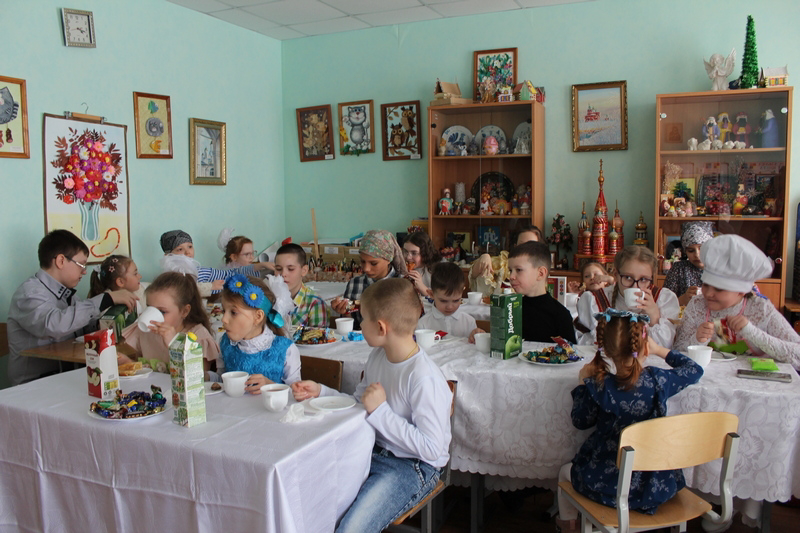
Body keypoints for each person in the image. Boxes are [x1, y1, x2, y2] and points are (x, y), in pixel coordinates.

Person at [291, 279, 452, 533]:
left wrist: (381, 411)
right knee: (313, 502)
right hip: (371, 450)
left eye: (363, 319)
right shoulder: (378, 355)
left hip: (413, 466)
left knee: (350, 529)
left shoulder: (423, 377)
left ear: (381, 327)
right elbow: (360, 405)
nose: (360, 324)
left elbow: (431, 450)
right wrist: (322, 392)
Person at [556, 309, 703, 532]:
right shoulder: (658, 380)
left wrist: (582, 383)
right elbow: (694, 369)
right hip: (656, 485)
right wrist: (660, 350)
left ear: (605, 349)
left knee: (564, 472)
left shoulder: (599, 385)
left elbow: (580, 420)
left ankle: (567, 525)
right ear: (644, 346)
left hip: (607, 484)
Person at [7, 230, 137, 385]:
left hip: (64, 377)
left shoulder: (67, 295)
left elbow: (79, 327)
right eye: (81, 264)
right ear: (61, 261)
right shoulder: (29, 294)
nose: (84, 271)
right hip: (34, 383)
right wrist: (106, 299)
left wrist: (104, 323)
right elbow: (54, 325)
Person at [674, 234, 800, 367]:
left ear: (741, 291)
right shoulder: (697, 305)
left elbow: (797, 355)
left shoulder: (761, 310)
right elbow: (676, 351)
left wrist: (752, 332)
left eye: (719, 289)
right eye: (705, 285)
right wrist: (697, 340)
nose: (709, 293)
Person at [575, 246, 679, 348]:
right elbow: (584, 346)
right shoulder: (594, 300)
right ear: (616, 275)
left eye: (643, 279)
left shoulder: (663, 299)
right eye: (628, 277)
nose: (635, 286)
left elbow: (666, 347)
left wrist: (654, 317)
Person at [120, 272, 220, 374]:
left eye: (162, 311)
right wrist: (129, 363)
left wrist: (175, 344)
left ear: (184, 311)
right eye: (150, 308)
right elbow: (146, 373)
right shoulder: (145, 331)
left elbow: (199, 376)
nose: (153, 316)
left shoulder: (197, 336)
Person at [218, 274, 300, 392]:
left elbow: (296, 392)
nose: (224, 319)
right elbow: (221, 380)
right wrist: (206, 376)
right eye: (223, 311)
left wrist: (270, 385)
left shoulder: (286, 349)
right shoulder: (225, 343)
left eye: (233, 312)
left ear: (258, 316)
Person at [332, 230, 408, 329]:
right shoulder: (355, 284)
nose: (366, 269)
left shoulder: (404, 285)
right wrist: (345, 313)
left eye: (374, 263)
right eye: (362, 261)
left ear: (389, 259)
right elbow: (353, 328)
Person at [160, 229, 269, 296]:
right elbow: (181, 292)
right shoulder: (170, 277)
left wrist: (259, 266)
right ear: (168, 255)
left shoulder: (200, 271)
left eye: (190, 246)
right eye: (180, 249)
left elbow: (229, 274)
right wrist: (210, 287)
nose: (188, 252)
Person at [508, 241, 576, 343]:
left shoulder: (560, 315)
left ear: (540, 273)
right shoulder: (511, 309)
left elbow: (570, 350)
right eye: (510, 270)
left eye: (518, 270)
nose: (511, 276)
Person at [468, 223, 544, 295]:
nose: (526, 249)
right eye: (522, 245)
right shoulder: (502, 262)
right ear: (515, 246)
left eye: (531, 245)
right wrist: (484, 257)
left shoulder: (541, 271)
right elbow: (473, 276)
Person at [418, 262, 483, 341]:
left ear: (462, 293)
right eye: (443, 301)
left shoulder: (469, 322)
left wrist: (476, 335)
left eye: (456, 300)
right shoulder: (423, 324)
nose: (450, 307)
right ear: (431, 294)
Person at [274, 243, 327, 328]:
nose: (283, 274)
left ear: (304, 270)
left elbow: (318, 335)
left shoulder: (315, 303)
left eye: (290, 269)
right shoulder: (269, 298)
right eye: (278, 269)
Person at [663, 221, 714, 306]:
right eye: (691, 250)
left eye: (701, 248)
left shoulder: (722, 270)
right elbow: (663, 304)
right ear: (685, 251)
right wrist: (683, 299)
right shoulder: (679, 269)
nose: (697, 255)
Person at [403, 231, 442, 297]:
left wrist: (421, 286)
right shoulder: (401, 267)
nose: (408, 257)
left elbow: (440, 298)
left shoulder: (438, 269)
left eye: (414, 253)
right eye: (405, 252)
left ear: (424, 252)